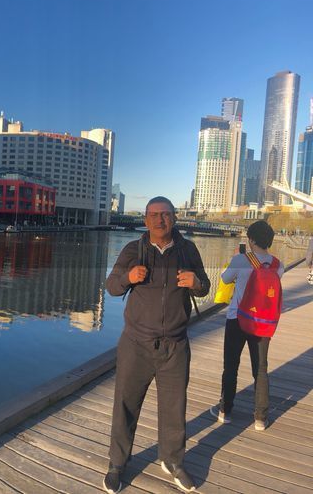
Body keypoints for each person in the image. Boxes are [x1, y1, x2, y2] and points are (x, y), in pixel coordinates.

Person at [102, 196, 209, 493]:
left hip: (175, 345)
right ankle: (117, 464)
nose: (159, 220)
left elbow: (205, 286)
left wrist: (196, 282)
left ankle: (173, 461)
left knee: (175, 408)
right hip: (136, 343)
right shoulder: (133, 250)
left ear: (174, 218)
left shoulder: (187, 250)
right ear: (146, 219)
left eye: (165, 214)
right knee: (125, 405)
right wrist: (128, 277)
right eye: (153, 215)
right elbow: (111, 287)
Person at [211, 221, 281, 430]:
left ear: (250, 240)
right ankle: (260, 418)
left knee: (230, 366)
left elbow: (225, 279)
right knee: (260, 369)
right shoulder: (277, 264)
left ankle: (225, 411)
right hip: (263, 323)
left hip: (237, 319)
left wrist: (235, 261)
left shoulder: (241, 260)